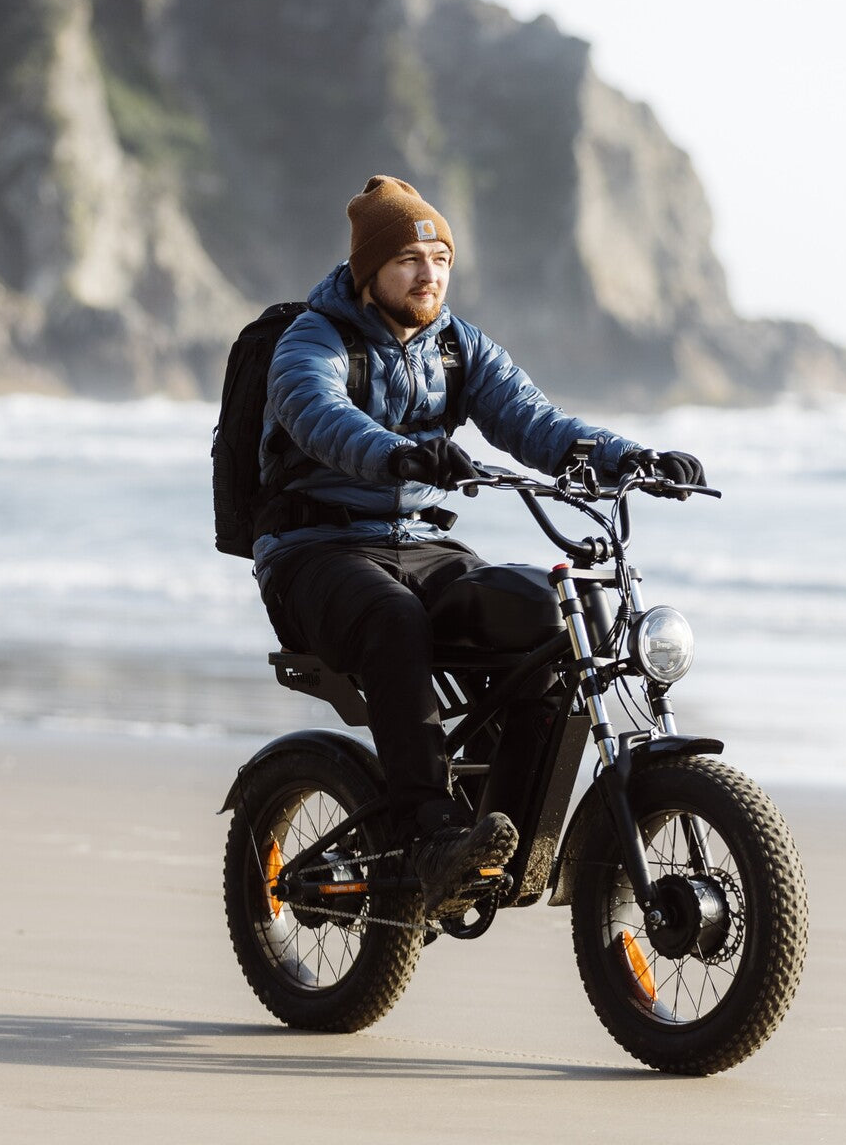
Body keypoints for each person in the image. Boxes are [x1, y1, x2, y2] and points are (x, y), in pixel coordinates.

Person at [254, 175, 705, 914]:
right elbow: (318, 412)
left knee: (551, 614)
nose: (428, 275)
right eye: (407, 260)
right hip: (313, 552)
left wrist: (631, 458)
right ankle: (430, 833)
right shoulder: (314, 339)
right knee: (393, 617)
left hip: (422, 546)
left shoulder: (459, 348)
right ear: (369, 272)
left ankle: (498, 826)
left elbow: (537, 423)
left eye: (440, 260)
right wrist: (399, 453)